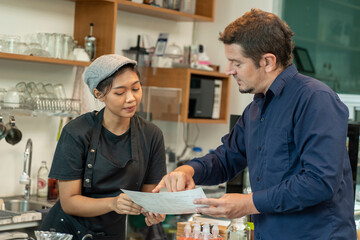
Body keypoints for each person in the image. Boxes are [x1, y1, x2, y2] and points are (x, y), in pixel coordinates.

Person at [153, 8, 356, 239]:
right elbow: (227, 157)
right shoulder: (255, 108)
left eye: (236, 63)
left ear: (268, 62)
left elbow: (318, 182)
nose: (229, 71)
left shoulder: (315, 99)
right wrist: (189, 170)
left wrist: (249, 203)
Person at [41, 54, 166, 240]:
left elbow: (150, 196)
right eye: (120, 92)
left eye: (136, 88)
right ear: (99, 95)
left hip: (112, 233)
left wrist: (154, 210)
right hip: (67, 232)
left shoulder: (151, 134)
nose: (131, 98)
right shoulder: (76, 132)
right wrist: (113, 203)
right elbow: (69, 202)